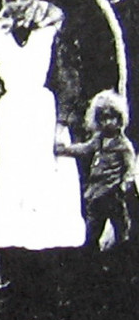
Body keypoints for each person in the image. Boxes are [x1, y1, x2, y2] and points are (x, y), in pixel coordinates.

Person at [0, 0, 84, 261]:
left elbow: (66, 76)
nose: (17, 4)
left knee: (47, 184)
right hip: (11, 117)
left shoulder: (49, 32)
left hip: (42, 113)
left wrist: (62, 121)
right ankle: (20, 266)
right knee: (15, 183)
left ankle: (52, 262)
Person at [56, 89, 136, 253]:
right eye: (103, 118)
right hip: (97, 194)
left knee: (121, 232)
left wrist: (124, 185)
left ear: (119, 118)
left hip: (113, 194)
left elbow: (130, 169)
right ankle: (91, 263)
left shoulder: (123, 144)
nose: (108, 122)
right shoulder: (99, 139)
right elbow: (85, 148)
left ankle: (124, 262)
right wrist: (65, 150)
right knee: (92, 230)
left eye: (112, 117)